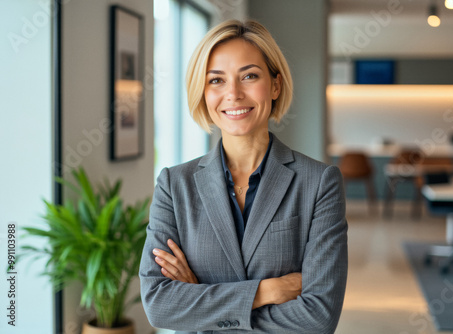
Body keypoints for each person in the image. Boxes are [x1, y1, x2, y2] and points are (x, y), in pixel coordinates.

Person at [139, 19, 347, 334]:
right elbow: (159, 305)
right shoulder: (173, 185)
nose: (233, 94)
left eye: (249, 76)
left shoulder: (319, 183)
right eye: (216, 80)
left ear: (275, 85)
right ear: (203, 92)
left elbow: (319, 318)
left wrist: (200, 298)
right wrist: (267, 292)